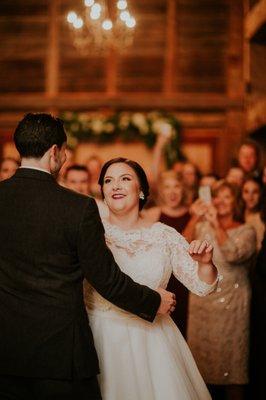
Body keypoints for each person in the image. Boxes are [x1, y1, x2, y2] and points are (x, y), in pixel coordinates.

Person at [0, 114, 175, 400]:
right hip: (58, 354)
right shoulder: (77, 207)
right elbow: (106, 279)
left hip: (5, 350)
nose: (66, 157)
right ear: (54, 151)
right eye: (66, 150)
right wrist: (153, 300)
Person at [84, 157, 218, 400]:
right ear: (102, 192)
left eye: (125, 179)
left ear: (142, 191)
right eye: (108, 180)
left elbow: (202, 286)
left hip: (153, 342)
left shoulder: (163, 235)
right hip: (100, 339)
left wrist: (206, 263)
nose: (116, 186)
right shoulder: (90, 234)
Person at [185, 180, 256, 400]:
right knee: (199, 369)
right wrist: (196, 216)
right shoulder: (201, 226)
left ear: (236, 202)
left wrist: (216, 224)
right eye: (217, 196)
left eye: (227, 197)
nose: (221, 201)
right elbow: (181, 245)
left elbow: (234, 254)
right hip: (202, 302)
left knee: (232, 369)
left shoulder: (247, 230)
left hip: (232, 305)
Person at [143, 170, 191, 337]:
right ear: (161, 191)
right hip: (162, 280)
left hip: (186, 282)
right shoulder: (152, 214)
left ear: (183, 189)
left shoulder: (194, 214)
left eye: (176, 186)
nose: (172, 192)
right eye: (167, 187)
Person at [241, 176, 265, 251]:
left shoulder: (260, 220)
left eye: (255, 192)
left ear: (260, 194)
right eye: (246, 191)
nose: (250, 197)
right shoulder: (236, 214)